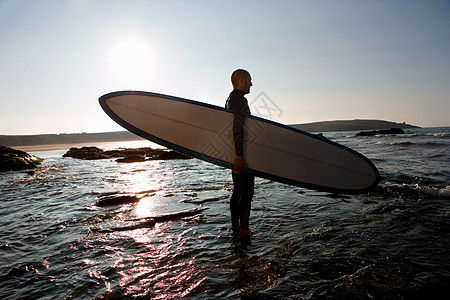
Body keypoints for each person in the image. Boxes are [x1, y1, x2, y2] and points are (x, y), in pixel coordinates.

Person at [225, 69, 255, 237]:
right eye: (249, 80)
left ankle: (236, 228)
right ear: (242, 80)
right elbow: (238, 127)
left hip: (234, 151)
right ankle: (244, 230)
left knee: (238, 190)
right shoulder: (239, 100)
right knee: (247, 191)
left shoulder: (229, 100)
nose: (251, 84)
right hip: (241, 152)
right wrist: (239, 154)